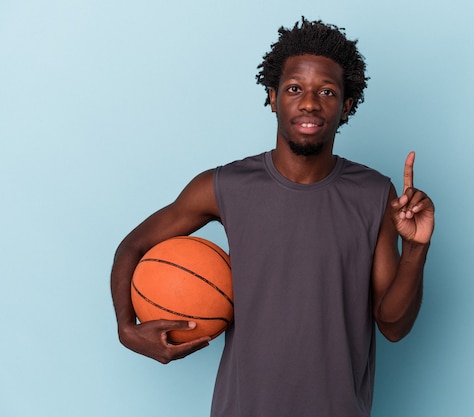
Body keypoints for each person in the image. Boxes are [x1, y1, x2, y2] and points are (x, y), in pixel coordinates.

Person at [111, 17, 435, 417]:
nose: (310, 102)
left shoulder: (373, 194)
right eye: (295, 88)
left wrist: (416, 250)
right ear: (272, 96)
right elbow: (132, 246)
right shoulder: (224, 186)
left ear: (346, 105)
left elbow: (393, 326)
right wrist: (127, 328)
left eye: (327, 92)